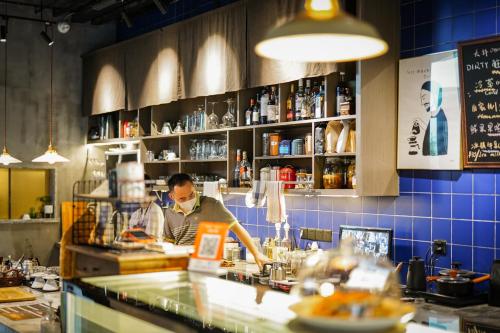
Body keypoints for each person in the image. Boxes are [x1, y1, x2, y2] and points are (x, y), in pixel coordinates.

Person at [164, 173, 269, 269]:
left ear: (194, 188)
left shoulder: (212, 205)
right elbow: (168, 243)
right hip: (181, 267)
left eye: (191, 195)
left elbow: (237, 229)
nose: (188, 200)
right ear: (172, 196)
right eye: (182, 199)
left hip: (207, 267)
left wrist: (256, 254)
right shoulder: (169, 213)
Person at [420, 81, 448, 156]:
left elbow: (435, 152)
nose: (422, 103)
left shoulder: (440, 119)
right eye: (421, 98)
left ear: (435, 96)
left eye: (424, 97)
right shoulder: (435, 117)